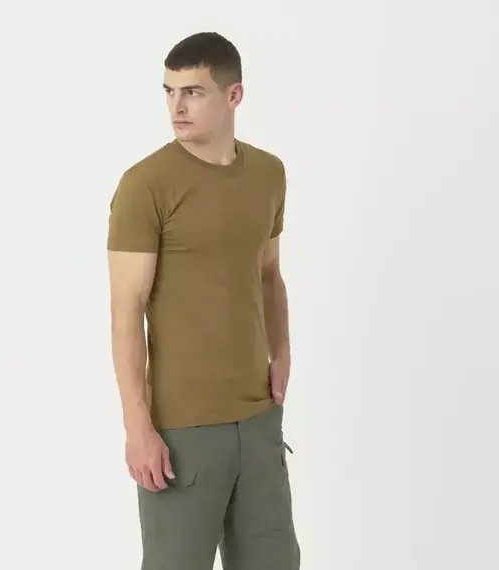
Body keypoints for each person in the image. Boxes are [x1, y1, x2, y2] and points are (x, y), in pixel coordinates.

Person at [106, 31, 300, 570]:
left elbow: (269, 273)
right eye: (169, 92)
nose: (177, 106)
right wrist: (138, 427)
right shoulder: (145, 185)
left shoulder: (268, 173)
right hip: (182, 429)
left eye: (192, 92)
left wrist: (282, 351)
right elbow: (126, 312)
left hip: (258, 420)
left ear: (234, 95)